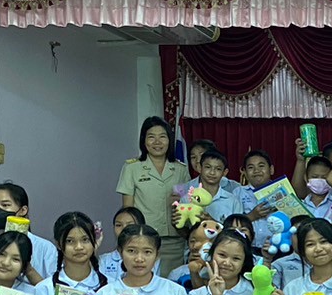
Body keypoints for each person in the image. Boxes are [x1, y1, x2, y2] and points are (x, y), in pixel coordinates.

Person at [118, 117, 191, 274]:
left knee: (172, 282)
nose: (157, 142)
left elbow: (185, 204)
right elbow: (128, 209)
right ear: (143, 140)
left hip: (174, 241)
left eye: (162, 137)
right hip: (143, 239)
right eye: (151, 137)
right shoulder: (132, 168)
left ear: (169, 140)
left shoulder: (180, 169)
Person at [193, 151, 248, 226]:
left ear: (225, 172)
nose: (212, 172)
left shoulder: (233, 201)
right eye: (208, 167)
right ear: (199, 168)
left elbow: (237, 230)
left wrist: (213, 222)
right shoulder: (188, 198)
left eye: (218, 169)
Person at [99, 206, 144, 280]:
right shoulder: (104, 260)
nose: (124, 229)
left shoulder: (148, 258)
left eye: (129, 225)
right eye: (119, 225)